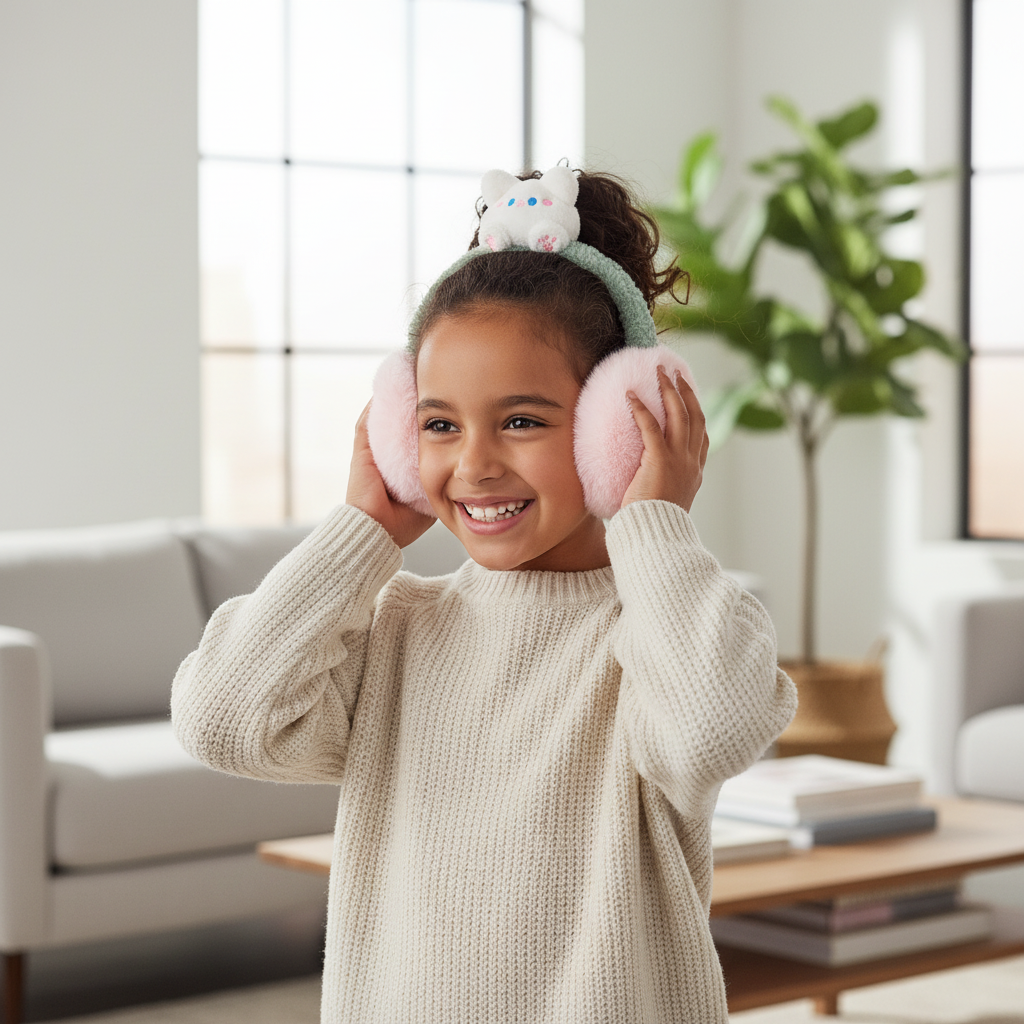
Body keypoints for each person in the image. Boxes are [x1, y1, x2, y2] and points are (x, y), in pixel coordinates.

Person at [171, 168, 797, 1024]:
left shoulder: (662, 635)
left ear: (618, 427)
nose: (473, 465)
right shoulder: (397, 629)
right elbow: (223, 719)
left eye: (522, 420)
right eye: (437, 424)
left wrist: (650, 520)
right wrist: (364, 532)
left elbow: (710, 729)